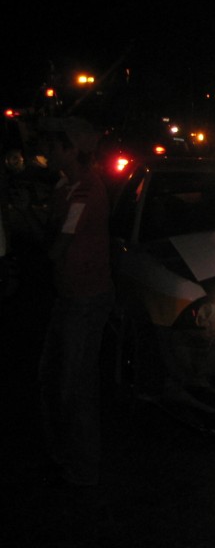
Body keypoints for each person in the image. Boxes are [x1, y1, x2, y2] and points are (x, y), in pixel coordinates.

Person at [34, 115, 114, 488]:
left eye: (54, 145)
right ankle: (67, 458)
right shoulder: (67, 186)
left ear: (71, 149)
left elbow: (58, 246)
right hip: (70, 295)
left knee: (75, 384)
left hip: (84, 298)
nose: (47, 152)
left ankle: (83, 469)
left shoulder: (84, 190)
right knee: (58, 378)